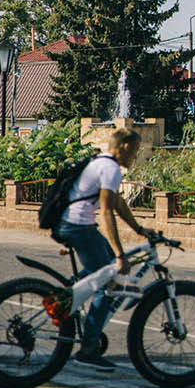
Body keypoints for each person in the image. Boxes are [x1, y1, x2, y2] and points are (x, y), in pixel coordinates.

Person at [56, 125, 154, 372]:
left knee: (100, 270)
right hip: (79, 227)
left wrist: (139, 229)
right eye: (135, 151)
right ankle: (88, 349)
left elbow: (118, 202)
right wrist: (120, 255)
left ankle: (64, 297)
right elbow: (107, 211)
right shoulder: (110, 168)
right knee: (110, 280)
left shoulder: (101, 161)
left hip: (74, 223)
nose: (135, 156)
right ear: (125, 147)